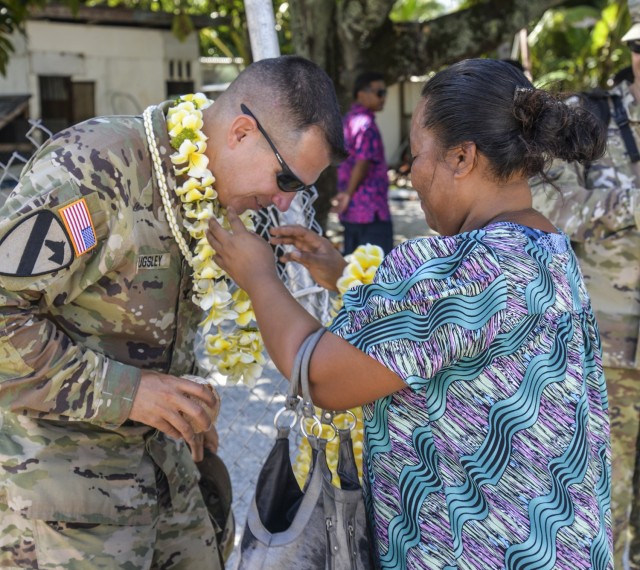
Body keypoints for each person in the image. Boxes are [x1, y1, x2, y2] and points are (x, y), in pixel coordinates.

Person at [206, 58, 613, 569]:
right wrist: (342, 274)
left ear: (462, 156)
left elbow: (320, 374)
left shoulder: (458, 267)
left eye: (416, 155)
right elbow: (441, 340)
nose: (411, 174)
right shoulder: (545, 249)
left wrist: (259, 275)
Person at [0, 55, 345, 569]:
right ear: (243, 131)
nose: (284, 202)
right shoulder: (95, 170)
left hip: (166, 475)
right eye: (286, 179)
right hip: (68, 500)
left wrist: (179, 390)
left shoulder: (205, 186)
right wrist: (128, 392)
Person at [530, 22, 640, 570]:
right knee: (602, 489)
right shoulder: (586, 118)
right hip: (606, 347)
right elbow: (535, 205)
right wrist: (624, 205)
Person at [333, 71, 394, 254]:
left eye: (385, 93)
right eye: (379, 93)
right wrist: (348, 194)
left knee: (353, 273)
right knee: (379, 274)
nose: (383, 98)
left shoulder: (348, 121)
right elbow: (362, 162)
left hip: (352, 212)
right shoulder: (366, 124)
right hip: (371, 211)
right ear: (361, 94)